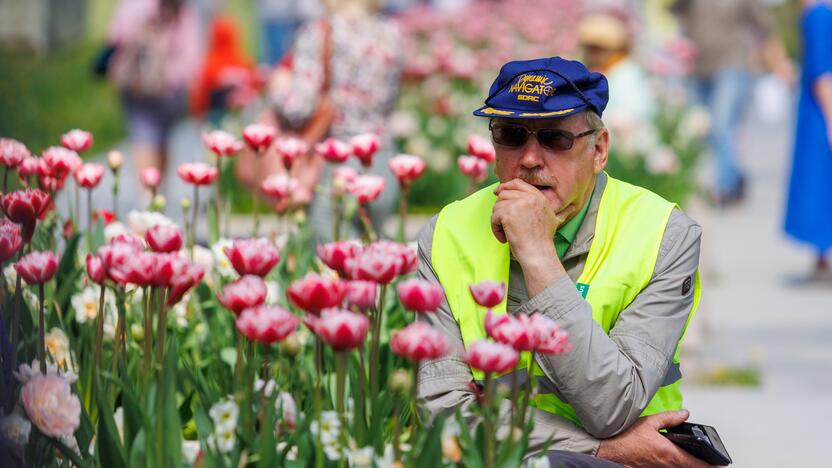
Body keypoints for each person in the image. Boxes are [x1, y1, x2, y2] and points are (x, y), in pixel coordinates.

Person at [416, 57, 712, 466]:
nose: (531, 159)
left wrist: (538, 256)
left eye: (555, 139)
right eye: (511, 135)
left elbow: (612, 407)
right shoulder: (447, 233)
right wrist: (602, 448)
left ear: (599, 149)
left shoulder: (665, 234)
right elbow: (443, 411)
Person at [268, 0, 405, 243]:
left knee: (334, 260)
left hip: (339, 164)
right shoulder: (392, 34)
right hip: (384, 161)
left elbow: (300, 107)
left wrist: (278, 87)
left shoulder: (319, 33)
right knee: (372, 258)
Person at [672, 0, 794, 206]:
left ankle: (724, 188)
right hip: (699, 67)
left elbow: (765, 26)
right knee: (701, 129)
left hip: (733, 65)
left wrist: (778, 61)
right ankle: (735, 176)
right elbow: (677, 12)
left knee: (722, 125)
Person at [107, 0, 201, 191]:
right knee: (153, 139)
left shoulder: (134, 5)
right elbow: (191, 59)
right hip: (160, 89)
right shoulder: (182, 11)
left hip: (139, 86)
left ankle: (150, 197)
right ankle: (153, 196)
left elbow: (115, 36)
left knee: (149, 138)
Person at [784, 0, 832, 282]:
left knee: (820, 184)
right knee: (821, 184)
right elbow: (823, 72)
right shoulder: (820, 14)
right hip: (821, 110)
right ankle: (822, 255)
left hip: (818, 111)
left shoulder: (816, 14)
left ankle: (821, 256)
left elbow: (822, 72)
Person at [189, 14, 258, 126]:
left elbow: (200, 95)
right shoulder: (244, 63)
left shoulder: (210, 65)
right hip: (242, 121)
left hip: (215, 120)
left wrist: (197, 116)